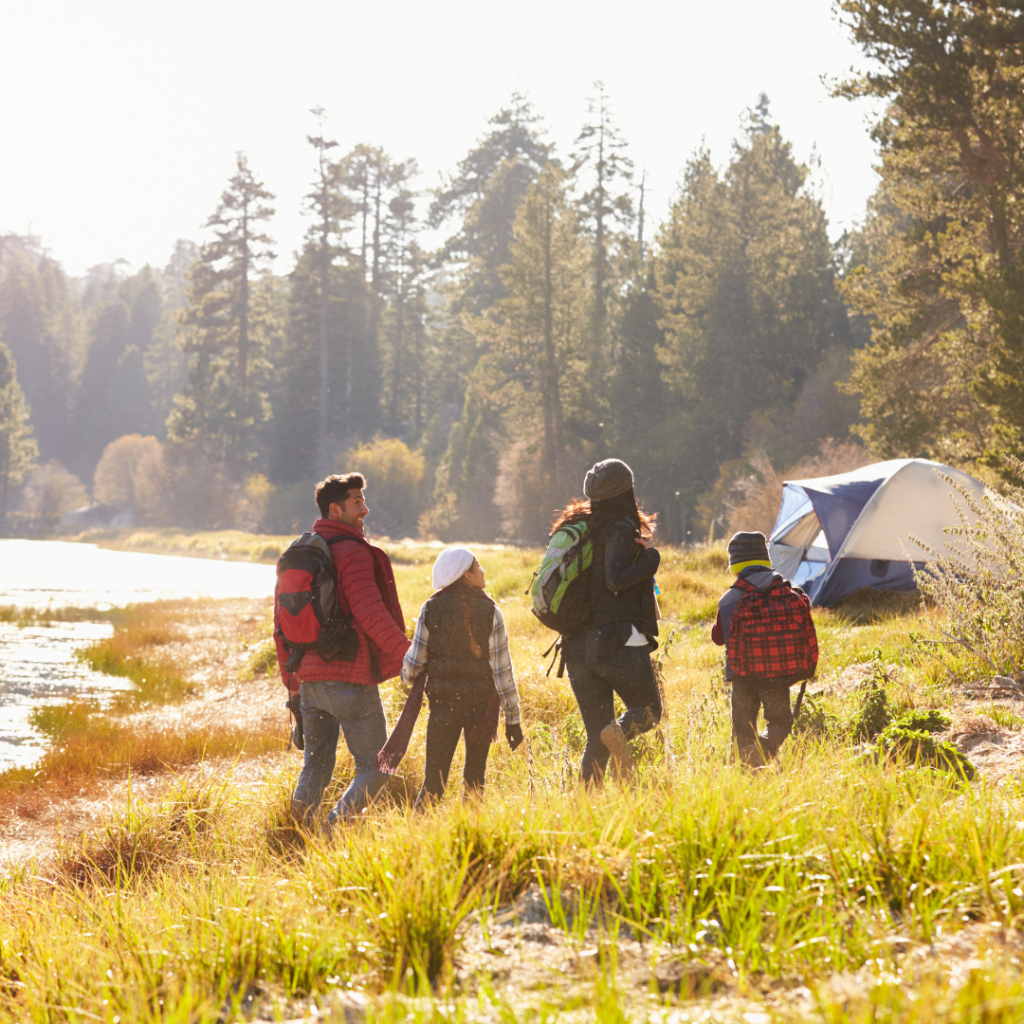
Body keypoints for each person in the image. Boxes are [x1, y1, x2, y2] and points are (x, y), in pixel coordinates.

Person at [275, 472, 410, 827]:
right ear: (335, 510)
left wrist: (292, 684)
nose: (365, 510)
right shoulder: (352, 553)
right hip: (350, 678)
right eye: (357, 503)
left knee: (315, 767)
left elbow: (280, 629)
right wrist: (411, 655)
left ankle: (299, 840)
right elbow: (371, 612)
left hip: (309, 683)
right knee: (378, 767)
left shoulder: (297, 555)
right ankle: (333, 833)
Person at [557, 459, 662, 785]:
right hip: (612, 642)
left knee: (596, 737)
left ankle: (586, 811)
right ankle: (616, 731)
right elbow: (616, 580)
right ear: (627, 490)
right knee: (648, 712)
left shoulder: (583, 530)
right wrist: (651, 559)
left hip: (575, 647)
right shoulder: (619, 528)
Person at [394, 546, 524, 807]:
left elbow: (413, 666)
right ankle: (470, 837)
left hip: (443, 708)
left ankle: (418, 837)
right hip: (481, 709)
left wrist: (406, 676)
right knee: (475, 781)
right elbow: (502, 672)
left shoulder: (430, 608)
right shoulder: (492, 611)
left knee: (433, 784)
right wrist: (513, 719)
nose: (483, 570)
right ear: (468, 574)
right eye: (479, 566)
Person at [711, 531, 814, 767]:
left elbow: (718, 638)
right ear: (766, 561)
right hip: (777, 677)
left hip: (742, 676)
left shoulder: (730, 598)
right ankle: (762, 750)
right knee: (780, 722)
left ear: (734, 567)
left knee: (742, 730)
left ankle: (743, 774)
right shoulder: (788, 592)